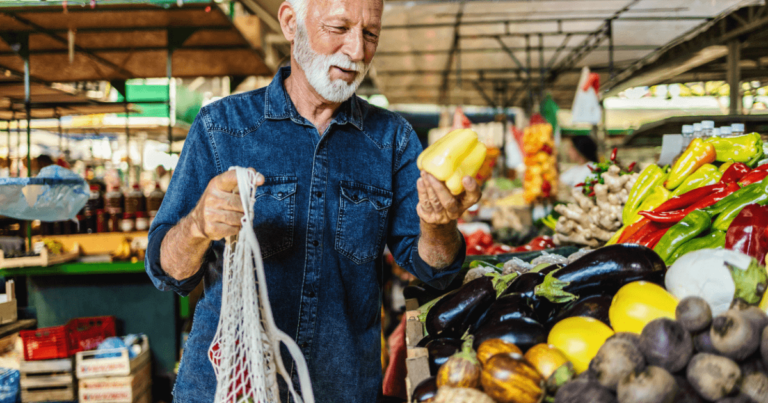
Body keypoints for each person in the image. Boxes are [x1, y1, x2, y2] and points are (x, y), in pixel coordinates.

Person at [144, 0, 481, 401]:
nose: (357, 50)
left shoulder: (392, 139)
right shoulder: (222, 127)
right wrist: (198, 225)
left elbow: (435, 270)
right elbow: (166, 271)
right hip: (231, 387)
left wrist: (438, 225)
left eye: (370, 34)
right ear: (290, 23)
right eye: (339, 28)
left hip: (340, 388)